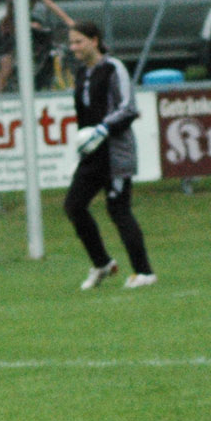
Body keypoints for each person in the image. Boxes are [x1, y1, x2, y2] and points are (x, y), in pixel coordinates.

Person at [62, 19, 155, 290]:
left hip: (115, 153)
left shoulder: (114, 68)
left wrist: (103, 128)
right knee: (74, 206)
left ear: (94, 41)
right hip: (92, 155)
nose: (73, 47)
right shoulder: (82, 73)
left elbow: (128, 108)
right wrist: (86, 140)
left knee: (118, 210)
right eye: (71, 42)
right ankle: (102, 263)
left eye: (78, 42)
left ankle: (144, 272)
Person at [0, 0, 75, 93]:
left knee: (43, 45)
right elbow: (12, 11)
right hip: (10, 28)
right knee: (7, 64)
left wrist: (70, 22)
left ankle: (39, 83)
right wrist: (27, 24)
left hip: (26, 27)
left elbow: (51, 5)